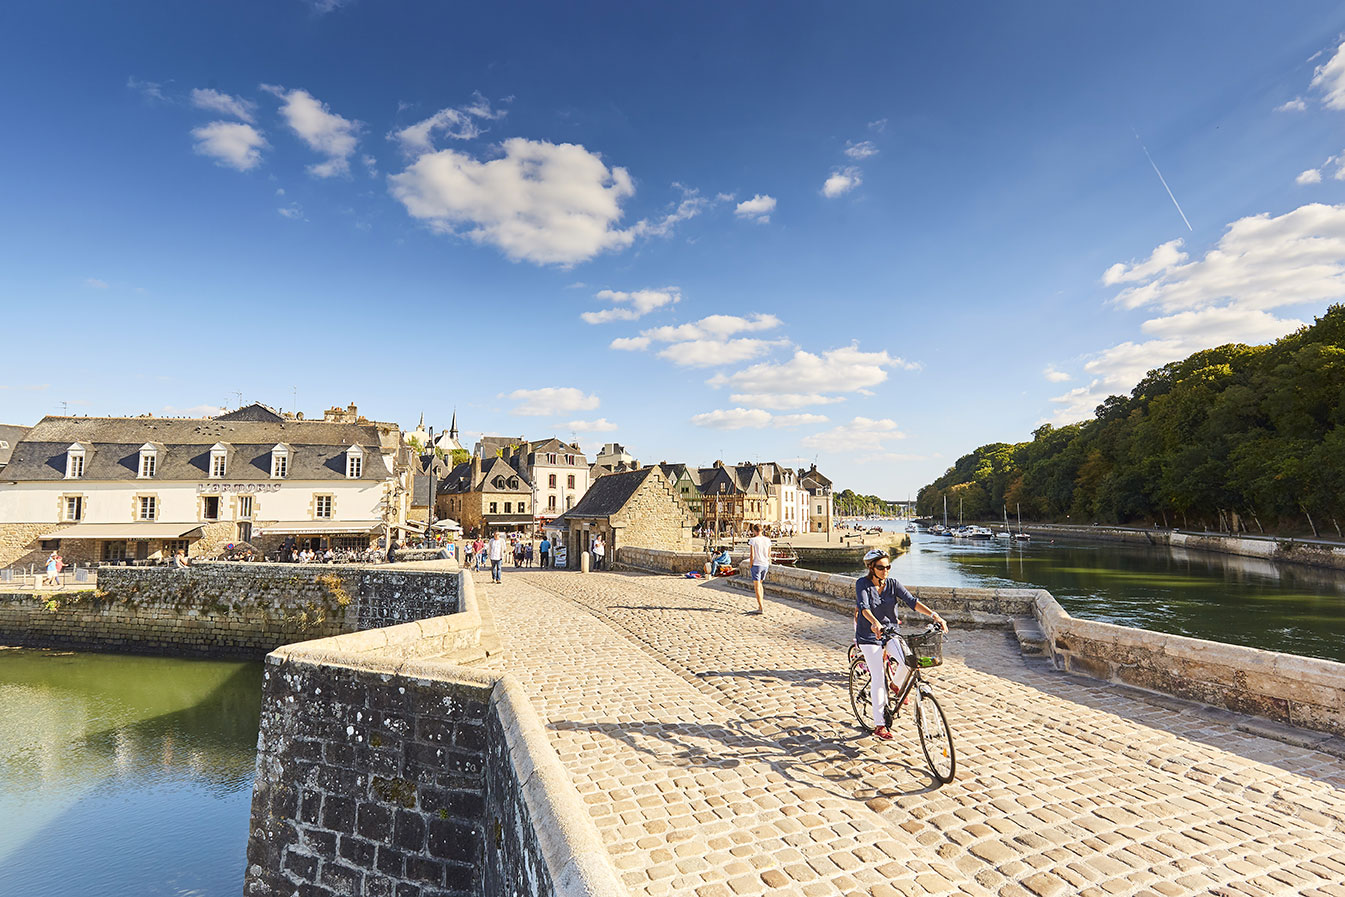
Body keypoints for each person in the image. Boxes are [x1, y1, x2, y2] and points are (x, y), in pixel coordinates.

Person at [855, 548, 947, 741]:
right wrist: (875, 623)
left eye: (888, 566)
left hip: (890, 632)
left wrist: (934, 615)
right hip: (869, 636)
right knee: (878, 677)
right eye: (881, 567)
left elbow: (912, 602)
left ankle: (896, 686)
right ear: (871, 568)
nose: (886, 570)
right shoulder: (862, 584)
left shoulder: (893, 584)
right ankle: (880, 724)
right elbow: (864, 608)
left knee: (909, 661)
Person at [747, 523, 771, 613]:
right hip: (765, 564)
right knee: (760, 585)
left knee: (757, 586)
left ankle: (761, 607)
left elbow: (752, 554)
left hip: (757, 564)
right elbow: (769, 554)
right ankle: (761, 604)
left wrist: (751, 564)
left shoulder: (753, 540)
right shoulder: (768, 540)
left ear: (754, 531)